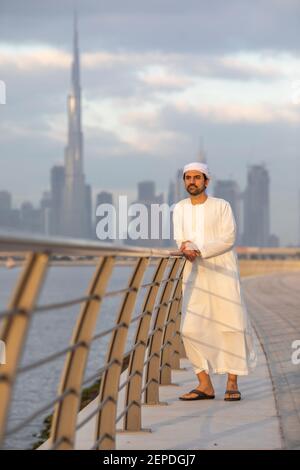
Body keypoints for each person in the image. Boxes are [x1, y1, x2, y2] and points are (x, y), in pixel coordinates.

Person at [172, 162, 257, 401]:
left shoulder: (222, 206)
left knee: (230, 324)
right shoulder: (179, 208)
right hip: (194, 272)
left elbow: (228, 237)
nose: (192, 181)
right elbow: (180, 238)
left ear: (206, 181)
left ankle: (232, 382)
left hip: (223, 271)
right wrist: (186, 247)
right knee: (190, 329)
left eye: (197, 177)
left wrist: (199, 249)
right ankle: (204, 384)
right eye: (187, 177)